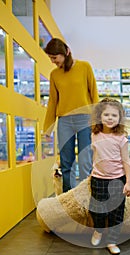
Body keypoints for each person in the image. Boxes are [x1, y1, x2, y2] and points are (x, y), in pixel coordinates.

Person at [43, 38, 99, 192]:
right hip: (64, 122)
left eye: (54, 58)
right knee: (66, 162)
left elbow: (94, 94)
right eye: (50, 58)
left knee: (85, 161)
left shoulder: (84, 67)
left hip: (85, 120)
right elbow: (53, 102)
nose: (53, 61)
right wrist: (47, 129)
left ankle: (86, 196)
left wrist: (97, 121)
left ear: (64, 53)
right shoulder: (54, 74)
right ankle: (69, 198)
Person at [89, 98, 130, 255]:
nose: (110, 118)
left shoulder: (121, 139)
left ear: (120, 118)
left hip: (117, 179)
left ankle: (112, 240)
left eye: (114, 115)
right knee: (97, 209)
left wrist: (128, 182)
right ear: (99, 116)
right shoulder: (94, 135)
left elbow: (126, 161)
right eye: (106, 114)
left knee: (116, 212)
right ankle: (98, 231)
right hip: (98, 179)